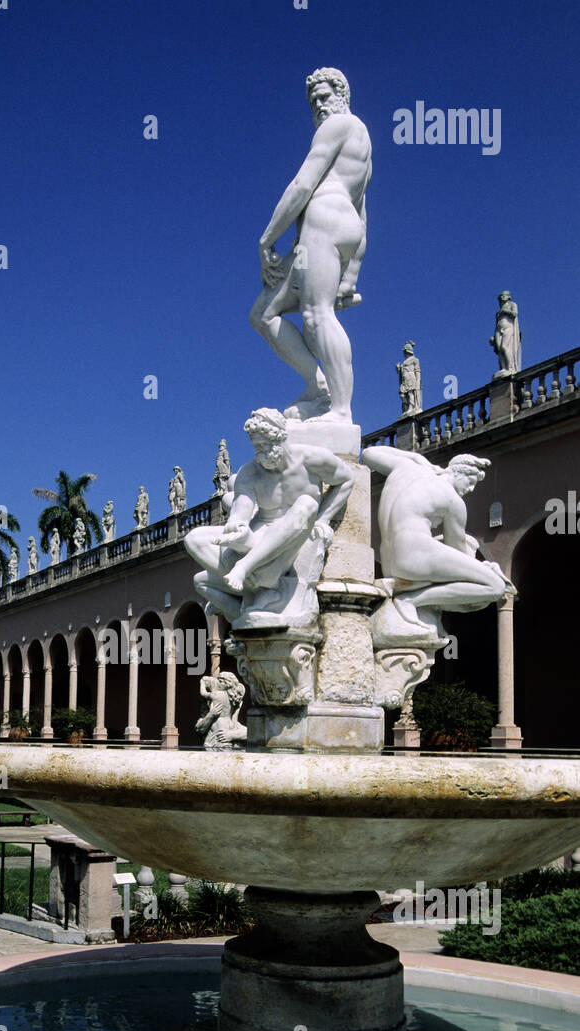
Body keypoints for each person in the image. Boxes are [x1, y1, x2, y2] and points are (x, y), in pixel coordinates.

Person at [249, 67, 371, 423]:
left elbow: (303, 184)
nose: (318, 104)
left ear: (342, 94)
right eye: (313, 100)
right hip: (335, 227)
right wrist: (353, 272)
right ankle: (319, 388)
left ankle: (341, 411)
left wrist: (267, 239)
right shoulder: (362, 140)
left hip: (323, 219)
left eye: (324, 96)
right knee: (263, 314)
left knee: (317, 315)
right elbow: (362, 212)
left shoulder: (338, 126)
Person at [185, 407, 353, 623]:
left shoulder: (311, 459)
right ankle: (262, 582)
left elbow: (346, 479)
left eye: (265, 445)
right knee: (194, 539)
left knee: (306, 505)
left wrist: (324, 518)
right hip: (259, 538)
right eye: (257, 447)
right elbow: (241, 512)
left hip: (292, 540)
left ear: (281, 437)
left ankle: (247, 570)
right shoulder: (250, 472)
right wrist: (237, 528)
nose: (261, 453)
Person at [363, 445, 514, 636]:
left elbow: (368, 454)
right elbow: (458, 549)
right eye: (470, 482)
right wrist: (486, 568)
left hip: (390, 562)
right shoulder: (453, 501)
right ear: (458, 473)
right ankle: (411, 601)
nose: (471, 488)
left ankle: (421, 607)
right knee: (495, 587)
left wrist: (417, 458)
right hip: (413, 555)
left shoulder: (408, 469)